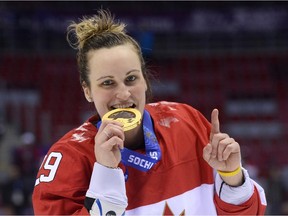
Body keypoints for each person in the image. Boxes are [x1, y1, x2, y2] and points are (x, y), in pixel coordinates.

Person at [32, 9, 267, 215]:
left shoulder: (187, 123)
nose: (123, 93)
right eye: (107, 83)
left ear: (145, 80)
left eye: (131, 78)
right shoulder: (68, 160)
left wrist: (233, 177)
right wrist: (104, 173)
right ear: (87, 91)